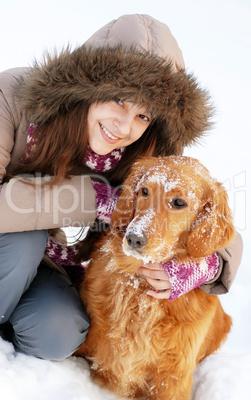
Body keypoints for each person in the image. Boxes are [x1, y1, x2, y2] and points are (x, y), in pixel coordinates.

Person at [0, 14, 243, 360]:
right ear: (88, 86)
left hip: (45, 264)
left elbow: (207, 213)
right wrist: (98, 200)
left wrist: (204, 266)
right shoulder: (11, 97)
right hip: (12, 246)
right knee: (25, 240)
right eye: (118, 100)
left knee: (58, 332)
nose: (124, 126)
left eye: (143, 116)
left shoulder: (144, 154)